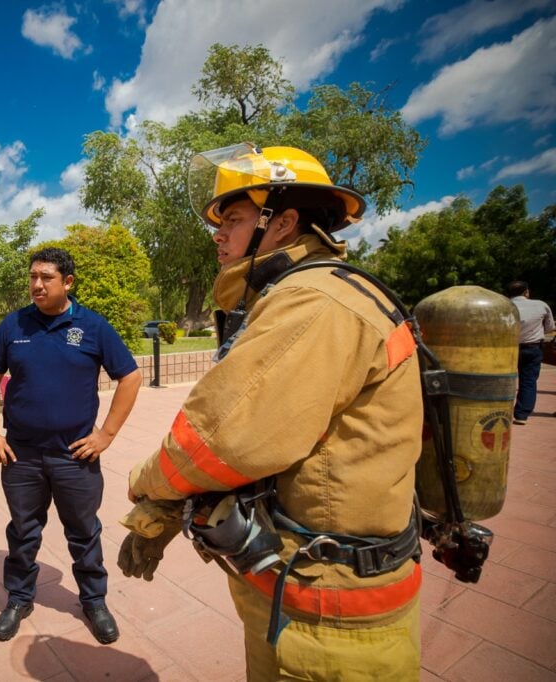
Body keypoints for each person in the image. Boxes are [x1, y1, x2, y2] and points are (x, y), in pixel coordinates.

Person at [119, 144, 424, 680]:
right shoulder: (323, 290)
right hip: (316, 593)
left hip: (327, 621)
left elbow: (216, 443)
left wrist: (146, 495)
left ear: (281, 223)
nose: (217, 234)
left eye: (232, 219)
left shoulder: (312, 303)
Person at [0, 246, 142, 644]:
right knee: (23, 530)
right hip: (21, 455)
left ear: (67, 282)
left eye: (46, 277)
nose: (37, 285)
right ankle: (19, 599)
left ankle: (94, 601)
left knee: (84, 531)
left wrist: (105, 434)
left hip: (75, 456)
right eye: (33, 277)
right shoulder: (14, 325)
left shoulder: (93, 326)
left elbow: (131, 377)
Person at [507, 280, 554, 425]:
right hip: (533, 348)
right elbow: (549, 327)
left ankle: (499, 409)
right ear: (526, 292)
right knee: (528, 381)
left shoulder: (503, 306)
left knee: (503, 380)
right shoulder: (541, 305)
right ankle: (521, 415)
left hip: (508, 349)